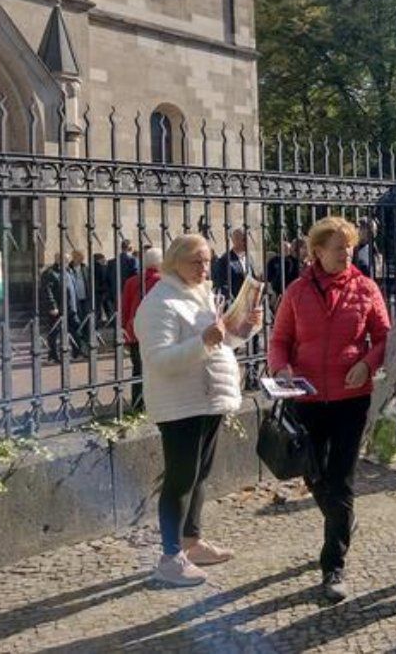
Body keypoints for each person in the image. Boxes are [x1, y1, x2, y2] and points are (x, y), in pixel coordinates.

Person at [268, 216, 390, 601]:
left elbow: (385, 337)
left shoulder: (366, 288)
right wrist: (280, 368)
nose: (346, 254)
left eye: (350, 247)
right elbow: (280, 339)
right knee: (314, 476)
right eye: (338, 248)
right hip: (305, 399)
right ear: (317, 251)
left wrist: (367, 363)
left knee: (341, 480)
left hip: (351, 400)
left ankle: (333, 566)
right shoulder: (296, 292)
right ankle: (342, 520)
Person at [134, 233, 262, 587]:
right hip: (180, 404)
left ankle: (191, 541)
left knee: (200, 475)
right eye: (196, 261)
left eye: (207, 260)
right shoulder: (160, 302)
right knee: (179, 478)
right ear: (175, 262)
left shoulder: (200, 293)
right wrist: (205, 339)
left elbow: (219, 345)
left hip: (208, 399)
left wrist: (244, 330)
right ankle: (170, 556)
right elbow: (159, 359)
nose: (205, 268)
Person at [121, 248, 162, 412]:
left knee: (137, 368)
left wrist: (124, 330)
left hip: (135, 330)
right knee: (156, 368)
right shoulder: (163, 281)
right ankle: (154, 402)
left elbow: (124, 308)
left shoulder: (131, 281)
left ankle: (138, 403)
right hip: (156, 331)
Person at [213, 228, 251, 302]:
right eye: (244, 240)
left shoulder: (249, 258)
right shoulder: (224, 261)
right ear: (235, 241)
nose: (247, 243)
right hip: (234, 303)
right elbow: (221, 285)